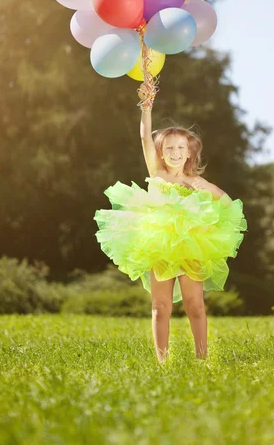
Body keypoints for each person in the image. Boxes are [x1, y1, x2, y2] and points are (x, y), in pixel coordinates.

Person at [94, 87, 247, 362]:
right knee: (160, 306)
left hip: (191, 246)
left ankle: (202, 359)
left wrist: (208, 187)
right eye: (169, 148)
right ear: (161, 153)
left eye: (180, 148)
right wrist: (146, 106)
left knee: (195, 305)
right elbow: (144, 136)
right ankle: (162, 361)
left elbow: (229, 206)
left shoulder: (198, 183)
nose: (175, 152)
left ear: (189, 153)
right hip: (161, 244)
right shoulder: (158, 174)